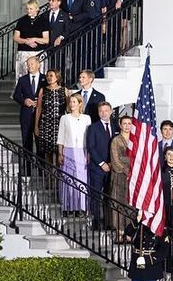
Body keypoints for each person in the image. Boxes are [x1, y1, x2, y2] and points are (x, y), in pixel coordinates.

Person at [56, 93, 91, 214]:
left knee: (81, 179)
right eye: (70, 102)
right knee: (68, 178)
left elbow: (88, 137)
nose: (72, 104)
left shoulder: (87, 118)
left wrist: (89, 154)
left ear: (80, 103)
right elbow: (60, 137)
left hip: (82, 151)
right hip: (68, 151)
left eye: (74, 102)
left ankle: (81, 207)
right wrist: (60, 153)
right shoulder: (64, 118)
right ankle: (68, 207)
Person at [84, 102, 115, 231]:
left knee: (110, 196)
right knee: (95, 195)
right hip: (97, 168)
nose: (103, 113)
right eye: (101, 111)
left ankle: (109, 223)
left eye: (106, 110)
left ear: (111, 111)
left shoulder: (116, 126)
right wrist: (102, 163)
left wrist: (112, 163)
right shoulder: (92, 128)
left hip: (113, 168)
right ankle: (96, 222)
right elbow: (91, 147)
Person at [34, 69, 70, 168]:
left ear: (57, 77)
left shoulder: (64, 90)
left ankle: (59, 178)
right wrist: (36, 126)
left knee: (60, 152)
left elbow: (68, 109)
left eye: (51, 75)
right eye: (47, 76)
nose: (49, 78)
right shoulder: (43, 90)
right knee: (48, 153)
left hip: (60, 124)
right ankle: (49, 178)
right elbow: (39, 109)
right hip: (45, 124)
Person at [108, 115, 134, 241]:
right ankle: (119, 231)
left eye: (129, 123)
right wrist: (126, 168)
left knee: (130, 203)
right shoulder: (116, 140)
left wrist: (131, 169)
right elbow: (115, 159)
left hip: (132, 177)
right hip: (119, 175)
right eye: (124, 123)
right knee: (118, 202)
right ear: (120, 124)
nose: (127, 126)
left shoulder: (135, 140)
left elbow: (137, 158)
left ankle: (129, 232)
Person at [12, 56, 43, 155]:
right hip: (26, 115)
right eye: (28, 64)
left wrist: (41, 100)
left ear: (38, 65)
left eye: (32, 64)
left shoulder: (45, 79)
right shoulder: (22, 80)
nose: (29, 66)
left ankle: (41, 169)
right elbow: (16, 95)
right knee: (27, 143)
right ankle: (27, 169)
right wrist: (24, 101)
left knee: (40, 145)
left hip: (41, 116)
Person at [13, 0, 48, 78]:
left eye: (31, 8)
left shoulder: (43, 21)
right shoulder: (22, 21)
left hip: (38, 53)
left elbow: (46, 40)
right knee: (22, 77)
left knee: (39, 77)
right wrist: (26, 41)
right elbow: (15, 37)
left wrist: (34, 39)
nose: (28, 11)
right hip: (23, 53)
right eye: (27, 9)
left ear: (37, 9)